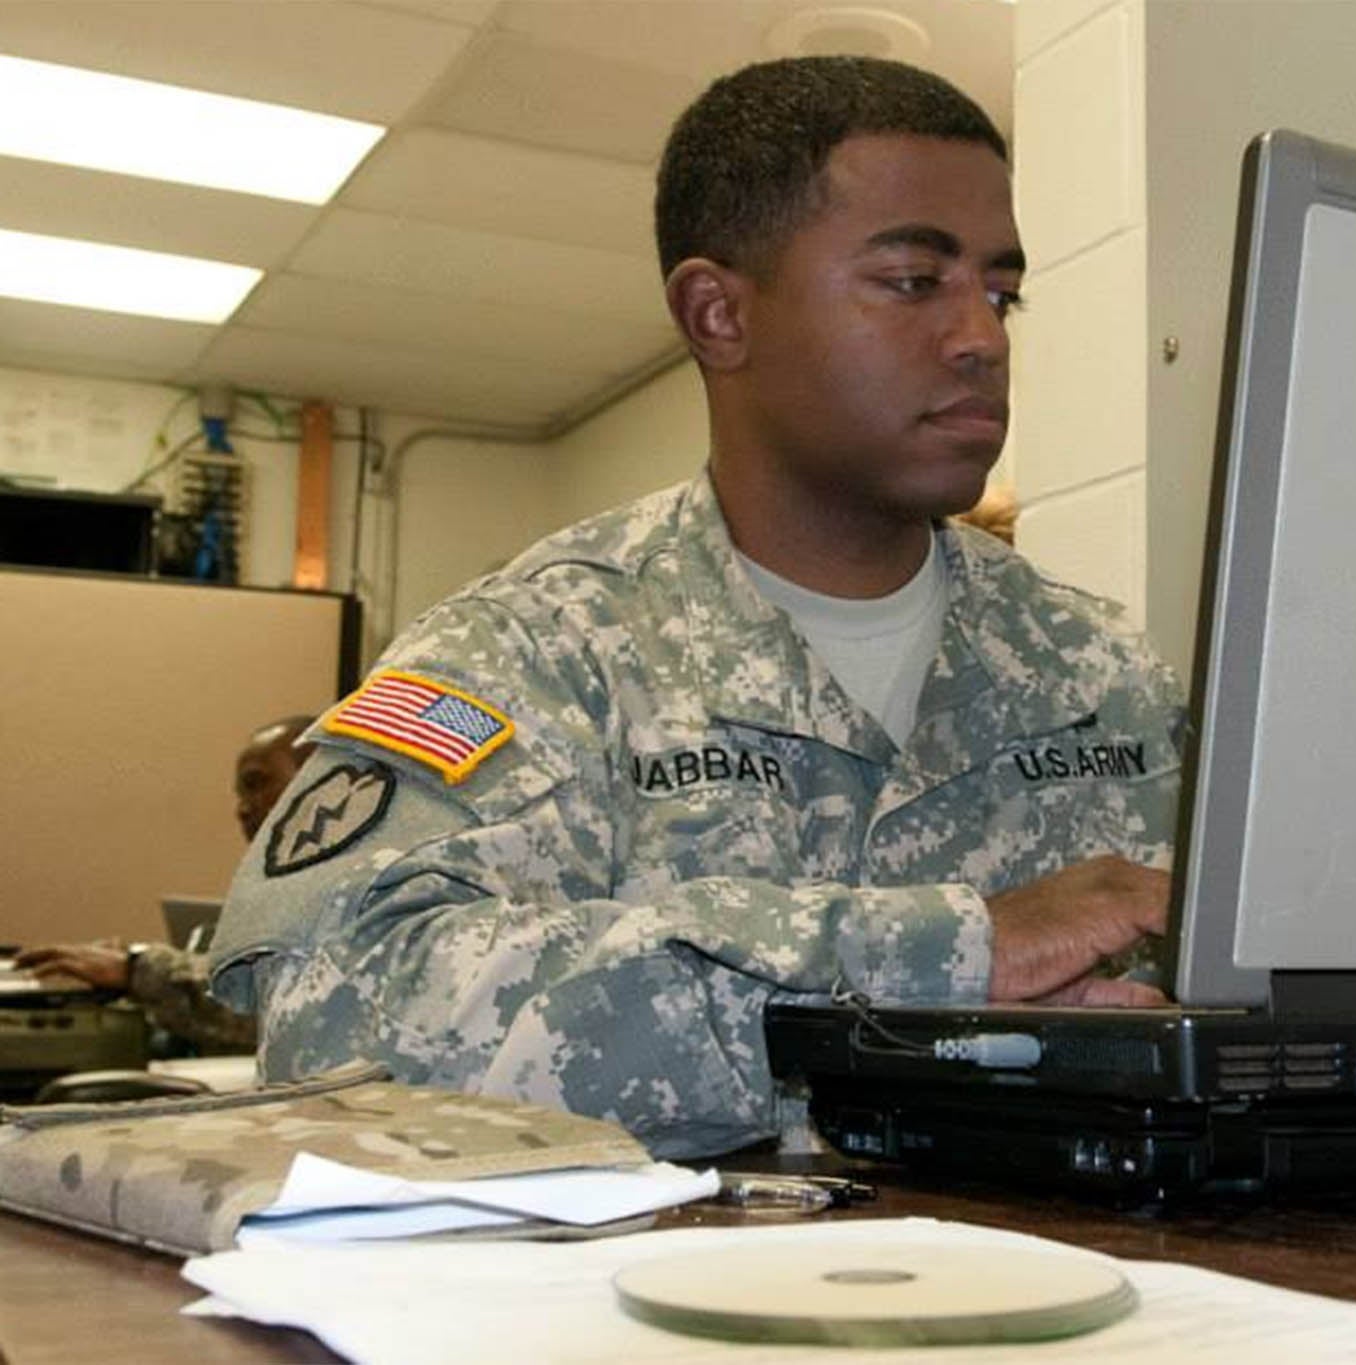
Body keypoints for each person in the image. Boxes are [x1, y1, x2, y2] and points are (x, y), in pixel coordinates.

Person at [210, 57, 1183, 1160]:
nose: (981, 338)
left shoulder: (1103, 671)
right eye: (914, 281)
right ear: (718, 314)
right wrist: (944, 953)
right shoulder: (535, 652)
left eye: (999, 293)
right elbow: (327, 1020)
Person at [17, 715, 313, 1054]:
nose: (242, 808)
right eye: (241, 792)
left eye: (257, 783)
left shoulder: (355, 887)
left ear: (320, 782)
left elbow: (271, 1006)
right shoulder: (282, 883)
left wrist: (135, 969)